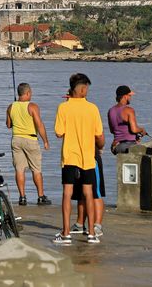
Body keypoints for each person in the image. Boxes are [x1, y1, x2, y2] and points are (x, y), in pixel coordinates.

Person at [53, 73, 104, 245]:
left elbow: (59, 133)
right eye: (87, 88)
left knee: (67, 194)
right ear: (82, 89)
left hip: (69, 157)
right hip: (88, 158)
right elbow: (99, 135)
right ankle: (91, 233)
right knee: (88, 193)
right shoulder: (93, 108)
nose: (87, 91)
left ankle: (66, 233)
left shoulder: (63, 107)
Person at [6, 82, 51, 207]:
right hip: (30, 139)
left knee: (19, 169)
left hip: (16, 140)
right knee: (36, 169)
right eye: (30, 92)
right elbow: (39, 124)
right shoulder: (32, 106)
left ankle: (22, 197)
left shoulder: (11, 107)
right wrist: (45, 141)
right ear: (27, 93)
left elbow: (8, 125)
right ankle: (41, 196)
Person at [109, 85, 145, 154]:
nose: (130, 98)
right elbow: (134, 129)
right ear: (125, 96)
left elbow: (112, 130)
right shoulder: (129, 110)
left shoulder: (111, 111)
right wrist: (142, 130)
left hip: (116, 146)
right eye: (129, 96)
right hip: (128, 145)